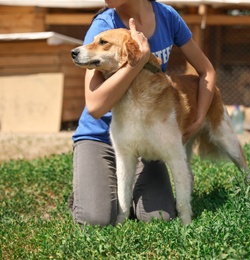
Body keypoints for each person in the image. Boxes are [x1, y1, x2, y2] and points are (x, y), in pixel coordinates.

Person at [68, 0, 216, 227]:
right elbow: (95, 107)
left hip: (147, 139)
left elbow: (206, 70)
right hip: (98, 136)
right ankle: (89, 190)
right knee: (96, 219)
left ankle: (127, 193)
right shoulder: (103, 25)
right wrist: (140, 58)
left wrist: (198, 120)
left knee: (160, 218)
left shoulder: (167, 16)